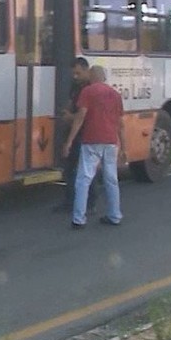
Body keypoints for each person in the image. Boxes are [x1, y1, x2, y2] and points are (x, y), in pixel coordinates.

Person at [62, 64, 126, 229]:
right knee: (111, 179)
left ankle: (79, 219)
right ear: (104, 77)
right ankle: (115, 215)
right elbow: (120, 124)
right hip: (111, 142)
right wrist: (124, 148)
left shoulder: (88, 92)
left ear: (92, 77)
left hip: (91, 141)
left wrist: (69, 141)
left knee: (83, 179)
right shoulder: (115, 94)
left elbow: (80, 117)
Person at [53, 57, 101, 213]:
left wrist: (70, 118)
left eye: (78, 73)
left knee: (86, 171)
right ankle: (69, 202)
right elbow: (72, 103)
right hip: (74, 131)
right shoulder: (76, 86)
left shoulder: (90, 89)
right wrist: (66, 113)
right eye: (73, 74)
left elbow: (85, 116)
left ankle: (90, 203)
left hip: (85, 133)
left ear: (87, 70)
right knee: (70, 169)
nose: (75, 76)